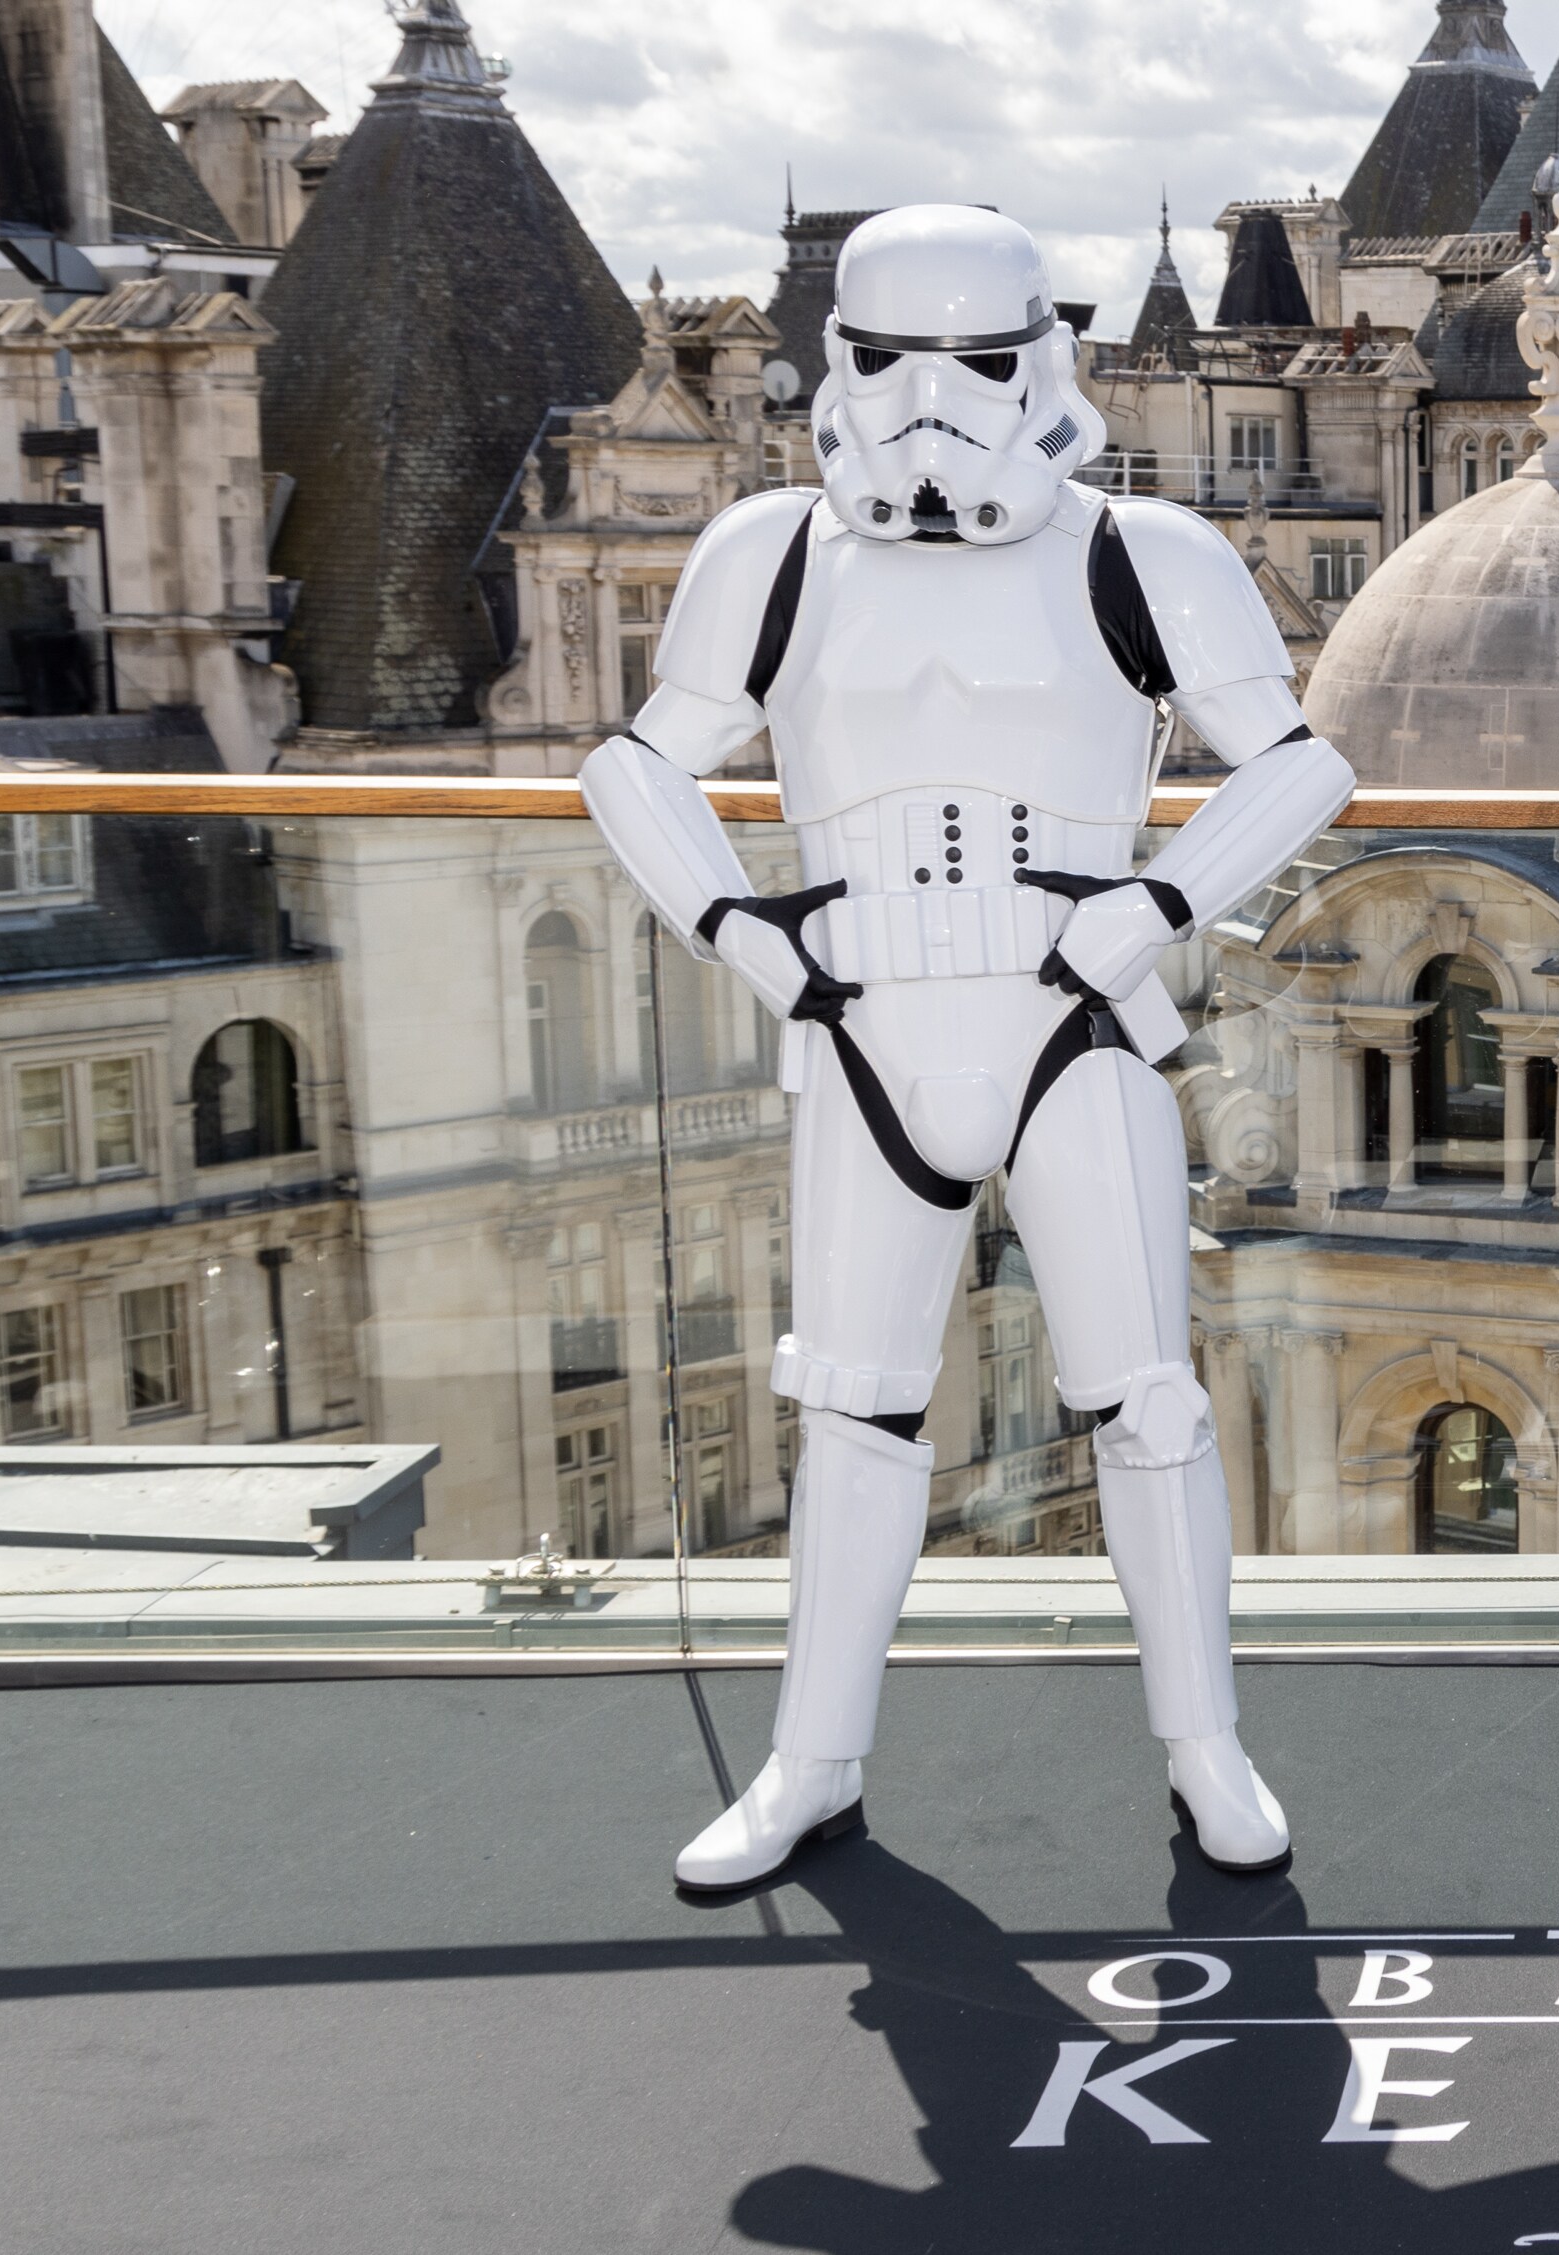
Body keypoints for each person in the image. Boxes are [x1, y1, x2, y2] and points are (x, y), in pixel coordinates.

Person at [580, 205, 1356, 1889]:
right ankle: (811, 1761)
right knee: (852, 1414)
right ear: (841, 364)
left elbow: (1299, 767)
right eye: (892, 362)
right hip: (864, 1028)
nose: (934, 404)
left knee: (1146, 1403)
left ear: (1042, 359)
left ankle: (1207, 1746)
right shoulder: (770, 552)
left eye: (978, 363)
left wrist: (1153, 907)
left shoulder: (1141, 556)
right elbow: (634, 765)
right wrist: (739, 929)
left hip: (1069, 1026)